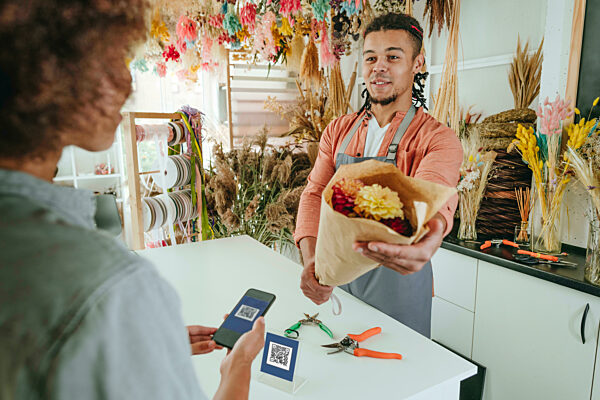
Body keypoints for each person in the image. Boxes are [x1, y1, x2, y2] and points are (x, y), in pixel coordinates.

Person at [0, 1, 264, 399]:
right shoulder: (107, 287)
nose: (128, 84)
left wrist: (137, 352)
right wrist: (237, 368)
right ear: (44, 75)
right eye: (113, 58)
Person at [294, 13, 463, 338]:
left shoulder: (437, 139)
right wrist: (313, 263)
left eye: (393, 57)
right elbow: (315, 193)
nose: (378, 66)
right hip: (338, 286)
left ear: (417, 63)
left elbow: (432, 203)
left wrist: (429, 240)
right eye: (371, 57)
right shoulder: (338, 130)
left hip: (399, 294)